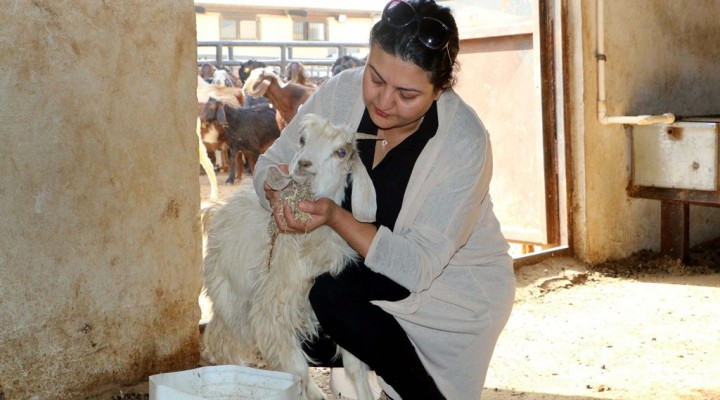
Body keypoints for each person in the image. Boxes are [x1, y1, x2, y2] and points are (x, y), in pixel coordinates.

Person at [252, 0, 515, 398]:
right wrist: (276, 192)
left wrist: (334, 217)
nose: (383, 101)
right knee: (295, 311)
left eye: (407, 93)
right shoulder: (341, 92)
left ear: (439, 89)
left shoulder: (463, 142)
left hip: (447, 292)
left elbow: (415, 267)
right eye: (375, 77)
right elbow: (272, 163)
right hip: (361, 272)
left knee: (332, 295)